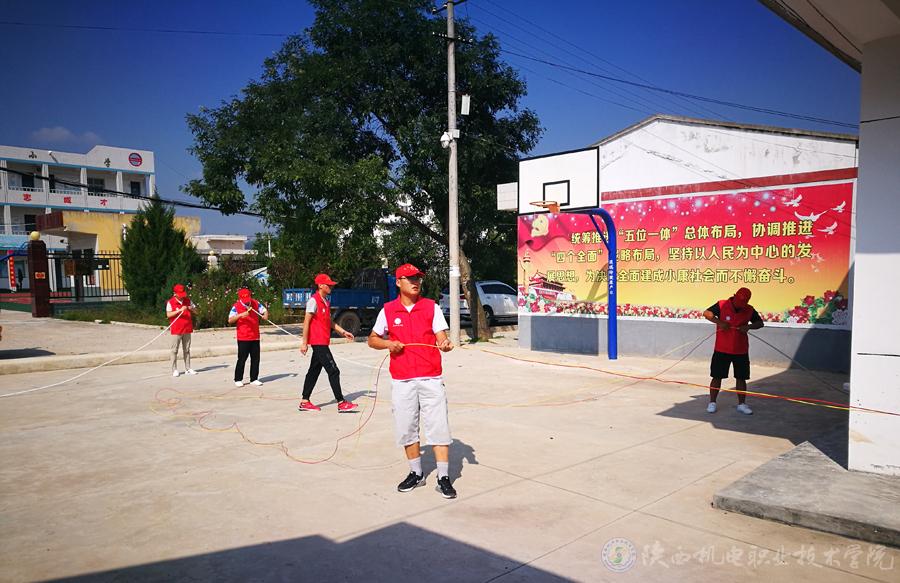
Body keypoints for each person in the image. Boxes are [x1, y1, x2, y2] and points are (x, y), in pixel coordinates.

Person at [367, 263, 457, 499]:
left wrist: (444, 344)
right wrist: (388, 344)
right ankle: (416, 473)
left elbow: (441, 336)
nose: (415, 282)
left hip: (430, 377)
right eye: (410, 278)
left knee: (438, 425)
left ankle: (443, 476)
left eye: (418, 278)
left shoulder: (431, 307)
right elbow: (372, 339)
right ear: (398, 282)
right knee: (406, 427)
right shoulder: (388, 310)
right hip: (402, 380)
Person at [298, 273, 359, 413]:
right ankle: (341, 402)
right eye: (328, 285)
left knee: (314, 371)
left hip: (323, 341)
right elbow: (306, 322)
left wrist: (343, 332)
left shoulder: (325, 301)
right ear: (320, 285)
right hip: (318, 342)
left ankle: (304, 401)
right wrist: (304, 343)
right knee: (333, 370)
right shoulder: (313, 301)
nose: (331, 287)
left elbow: (330, 322)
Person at [703, 287, 764, 415]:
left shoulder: (749, 309)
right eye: (739, 301)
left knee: (741, 378)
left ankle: (742, 404)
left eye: (743, 303)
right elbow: (707, 313)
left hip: (740, 350)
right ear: (734, 296)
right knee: (717, 376)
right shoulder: (722, 304)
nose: (740, 305)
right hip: (722, 349)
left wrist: (748, 327)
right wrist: (719, 322)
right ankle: (712, 402)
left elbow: (760, 323)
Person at [228, 287, 267, 387]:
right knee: (242, 358)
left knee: (255, 358)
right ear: (240, 298)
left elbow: (264, 310)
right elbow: (230, 320)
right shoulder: (236, 306)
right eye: (244, 300)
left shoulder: (255, 303)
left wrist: (265, 315)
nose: (247, 302)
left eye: (248, 299)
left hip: (255, 336)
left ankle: (254, 378)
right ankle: (238, 379)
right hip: (243, 337)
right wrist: (240, 315)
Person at [166, 283, 197, 377]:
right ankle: (174, 369)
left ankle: (188, 368)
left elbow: (196, 311)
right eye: (180, 294)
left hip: (187, 328)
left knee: (186, 349)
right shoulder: (170, 302)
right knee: (174, 350)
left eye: (183, 294)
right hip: (176, 329)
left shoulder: (188, 301)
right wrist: (179, 310)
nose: (182, 296)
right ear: (175, 294)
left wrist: (191, 308)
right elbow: (168, 315)